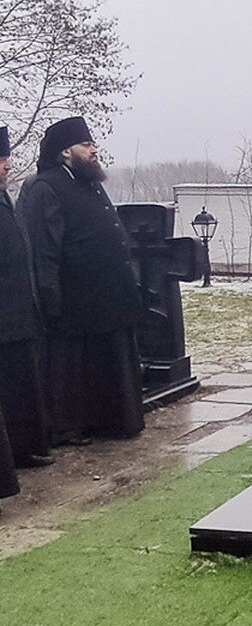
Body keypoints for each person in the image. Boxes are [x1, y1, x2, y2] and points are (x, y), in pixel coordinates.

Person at [19, 116, 144, 444]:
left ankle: (114, 420)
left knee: (111, 360)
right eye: (86, 145)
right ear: (64, 152)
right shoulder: (44, 187)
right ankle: (70, 427)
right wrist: (49, 298)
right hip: (74, 301)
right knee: (72, 367)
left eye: (93, 144)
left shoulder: (89, 182)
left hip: (108, 296)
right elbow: (42, 250)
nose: (93, 151)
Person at [0, 124, 54, 468]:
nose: (7, 164)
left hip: (18, 311)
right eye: (1, 158)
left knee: (20, 385)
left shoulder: (6, 196)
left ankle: (22, 449)